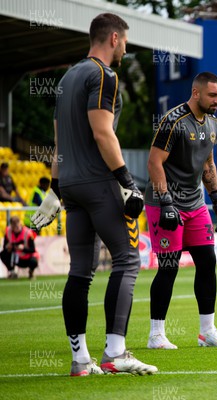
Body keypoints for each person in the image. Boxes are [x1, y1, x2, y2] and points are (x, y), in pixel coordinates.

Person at [30, 13, 157, 376]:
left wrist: (55, 189)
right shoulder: (104, 75)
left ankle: (80, 360)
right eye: (126, 41)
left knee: (80, 272)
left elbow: (59, 142)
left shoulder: (68, 78)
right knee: (127, 260)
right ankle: (115, 353)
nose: (127, 48)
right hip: (99, 184)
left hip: (71, 186)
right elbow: (103, 133)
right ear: (114, 38)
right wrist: (127, 182)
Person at [145, 71, 217, 350]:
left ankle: (207, 332)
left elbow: (207, 164)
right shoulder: (173, 121)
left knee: (207, 261)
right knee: (169, 267)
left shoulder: (214, 123)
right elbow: (154, 162)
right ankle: (156, 335)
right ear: (196, 93)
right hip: (164, 202)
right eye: (213, 95)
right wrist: (167, 202)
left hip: (195, 203)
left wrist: (216, 198)